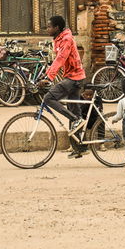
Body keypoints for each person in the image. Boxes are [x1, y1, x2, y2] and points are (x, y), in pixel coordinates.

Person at [42, 14, 88, 157]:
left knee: (48, 98)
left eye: (49, 26)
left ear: (57, 28)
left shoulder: (67, 39)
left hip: (74, 78)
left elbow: (61, 59)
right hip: (73, 77)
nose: (47, 29)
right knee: (74, 110)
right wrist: (45, 75)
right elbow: (56, 61)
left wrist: (50, 77)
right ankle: (80, 148)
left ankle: (77, 121)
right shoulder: (59, 39)